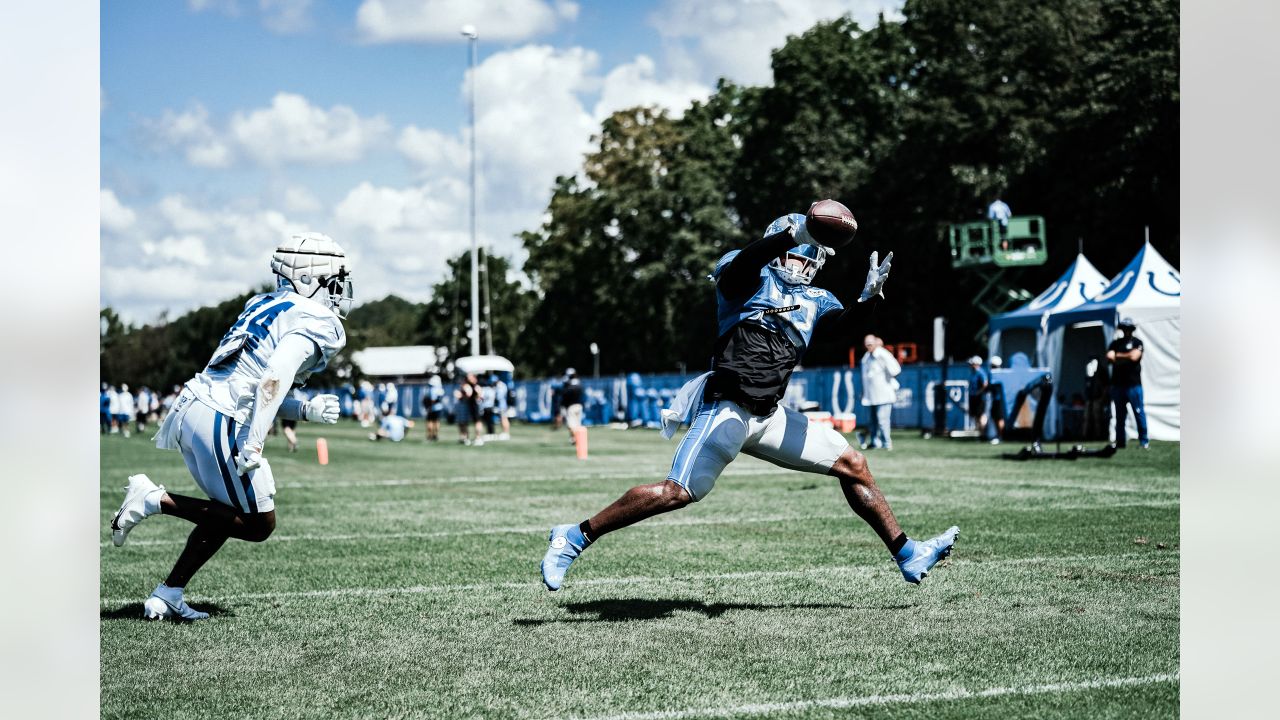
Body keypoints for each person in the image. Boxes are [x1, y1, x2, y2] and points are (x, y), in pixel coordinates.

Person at [541, 203, 958, 591]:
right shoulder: (748, 278)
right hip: (726, 409)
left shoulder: (816, 300)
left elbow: (842, 329)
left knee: (854, 465)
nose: (807, 262)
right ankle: (575, 536)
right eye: (801, 252)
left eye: (814, 256)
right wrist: (791, 237)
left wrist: (869, 301)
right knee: (676, 493)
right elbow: (743, 264)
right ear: (782, 244)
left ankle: (907, 552)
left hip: (770, 417)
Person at [107, 232, 349, 621]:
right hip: (221, 418)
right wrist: (253, 445)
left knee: (226, 509)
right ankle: (152, 499)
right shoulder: (318, 319)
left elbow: (253, 383)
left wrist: (305, 410)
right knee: (258, 524)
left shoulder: (262, 304)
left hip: (195, 407)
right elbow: (274, 376)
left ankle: (169, 592)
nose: (339, 291)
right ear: (309, 279)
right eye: (333, 282)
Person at [1107, 317, 1149, 449]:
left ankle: (1144, 441)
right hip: (1118, 385)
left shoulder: (1137, 342)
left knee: (1138, 412)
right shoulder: (1115, 343)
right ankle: (1120, 442)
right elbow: (1109, 357)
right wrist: (1127, 356)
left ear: (1132, 330)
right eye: (1124, 329)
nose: (1126, 331)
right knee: (1119, 416)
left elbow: (1135, 356)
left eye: (1128, 329)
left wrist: (1119, 356)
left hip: (1134, 385)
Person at [859, 334, 901, 451]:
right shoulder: (866, 357)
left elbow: (896, 370)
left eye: (870, 344)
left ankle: (887, 444)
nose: (868, 347)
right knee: (872, 422)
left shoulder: (883, 354)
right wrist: (863, 392)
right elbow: (865, 377)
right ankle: (875, 442)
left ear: (876, 343)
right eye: (866, 345)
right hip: (870, 396)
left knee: (883, 421)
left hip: (884, 395)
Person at [967, 356, 992, 440]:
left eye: (972, 364)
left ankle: (983, 434)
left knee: (980, 415)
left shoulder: (980, 373)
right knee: (976, 416)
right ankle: (980, 434)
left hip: (980, 398)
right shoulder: (973, 373)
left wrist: (979, 392)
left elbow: (985, 384)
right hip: (974, 398)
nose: (971, 365)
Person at [560, 369, 584, 444]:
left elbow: (565, 398)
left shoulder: (569, 387)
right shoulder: (579, 385)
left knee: (571, 425)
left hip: (571, 407)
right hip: (579, 406)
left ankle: (575, 438)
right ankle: (575, 438)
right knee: (577, 424)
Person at [281, 387, 306, 452]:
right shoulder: (296, 390)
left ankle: (294, 441)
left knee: (286, 428)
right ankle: (291, 447)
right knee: (292, 429)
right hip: (295, 410)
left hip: (286, 408)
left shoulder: (285, 388)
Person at [987, 356, 1006, 445]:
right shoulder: (999, 373)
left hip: (999, 400)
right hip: (996, 399)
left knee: (999, 418)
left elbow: (990, 386)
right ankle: (998, 435)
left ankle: (1000, 436)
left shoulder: (996, 374)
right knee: (995, 417)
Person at [423, 374, 445, 442]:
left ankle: (430, 436)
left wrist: (429, 407)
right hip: (439, 407)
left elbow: (433, 400)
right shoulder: (441, 389)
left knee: (430, 421)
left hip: (432, 408)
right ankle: (436, 435)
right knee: (437, 421)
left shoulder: (433, 389)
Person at [492, 373, 511, 440]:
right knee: (502, 418)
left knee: (504, 418)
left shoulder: (500, 386)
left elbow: (499, 396)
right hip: (501, 404)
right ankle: (505, 432)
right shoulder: (499, 385)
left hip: (502, 405)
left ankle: (506, 433)